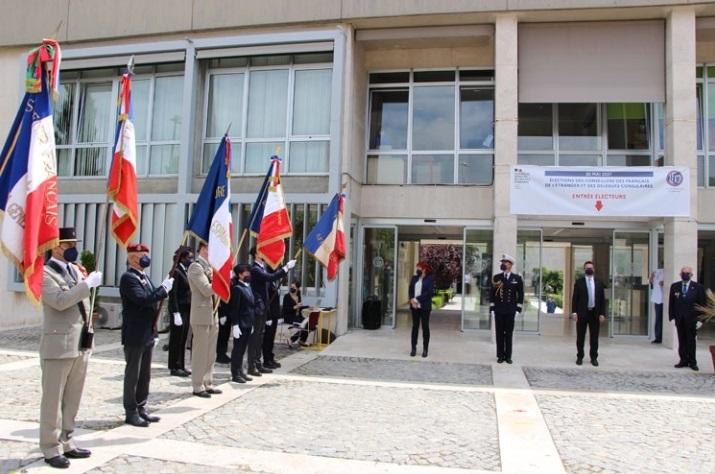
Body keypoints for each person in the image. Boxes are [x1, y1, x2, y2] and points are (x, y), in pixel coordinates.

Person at [39, 227, 102, 469]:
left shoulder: (74, 270)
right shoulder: (45, 274)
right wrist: (87, 285)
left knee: (72, 398)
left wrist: (85, 282)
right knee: (53, 400)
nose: (73, 248)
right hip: (58, 345)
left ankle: (67, 441)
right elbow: (60, 301)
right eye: (68, 245)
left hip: (79, 343)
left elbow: (83, 306)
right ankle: (50, 447)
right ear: (56, 247)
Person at [120, 243, 173, 427]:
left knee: (145, 375)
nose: (145, 257)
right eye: (142, 254)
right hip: (135, 334)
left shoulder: (144, 277)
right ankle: (131, 411)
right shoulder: (128, 278)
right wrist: (163, 290)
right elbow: (142, 299)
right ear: (132, 257)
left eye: (146, 254)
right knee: (133, 374)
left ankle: (141, 406)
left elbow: (152, 307)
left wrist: (155, 331)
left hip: (147, 332)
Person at [248, 247, 295, 377]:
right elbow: (269, 277)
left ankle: (258, 363)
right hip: (258, 308)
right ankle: (253, 365)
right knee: (256, 338)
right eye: (260, 251)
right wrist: (285, 268)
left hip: (264, 309)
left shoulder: (261, 267)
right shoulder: (255, 269)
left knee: (260, 337)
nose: (263, 253)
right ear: (255, 255)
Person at [188, 242, 222, 398]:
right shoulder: (196, 267)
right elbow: (206, 290)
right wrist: (221, 280)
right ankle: (197, 385)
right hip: (201, 314)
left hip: (212, 313)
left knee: (210, 352)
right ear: (203, 249)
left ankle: (208, 382)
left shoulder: (210, 268)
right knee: (200, 352)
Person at [668, 265, 706, 371]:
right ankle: (683, 360)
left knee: (691, 340)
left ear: (691, 275)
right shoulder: (675, 286)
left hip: (692, 319)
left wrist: (701, 320)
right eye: (683, 273)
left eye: (687, 273)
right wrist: (672, 317)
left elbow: (702, 305)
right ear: (680, 274)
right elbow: (671, 303)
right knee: (682, 340)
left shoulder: (698, 287)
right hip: (680, 318)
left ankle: (692, 362)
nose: (685, 275)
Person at [570, 261, 606, 367]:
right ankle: (580, 356)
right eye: (587, 268)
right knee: (580, 336)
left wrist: (602, 314)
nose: (589, 269)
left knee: (594, 337)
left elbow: (602, 300)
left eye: (591, 268)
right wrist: (574, 312)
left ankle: (594, 358)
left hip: (594, 313)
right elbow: (575, 298)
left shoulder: (599, 283)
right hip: (582, 313)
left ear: (594, 270)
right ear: (584, 270)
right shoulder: (579, 282)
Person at [489, 254, 524, 364]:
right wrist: (492, 309)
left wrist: (518, 309)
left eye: (506, 262)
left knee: (509, 334)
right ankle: (500, 356)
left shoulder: (517, 278)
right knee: (499, 334)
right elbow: (492, 294)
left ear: (510, 265)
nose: (503, 264)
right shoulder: (497, 277)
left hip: (510, 310)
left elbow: (521, 294)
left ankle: (508, 356)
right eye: (502, 262)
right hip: (499, 310)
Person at [167, 246, 192, 377]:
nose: (191, 260)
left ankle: (181, 365)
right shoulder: (176, 272)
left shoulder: (185, 270)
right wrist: (175, 312)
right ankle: (174, 366)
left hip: (186, 309)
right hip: (179, 309)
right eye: (189, 257)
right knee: (176, 338)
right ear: (182, 258)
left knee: (182, 338)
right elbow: (173, 294)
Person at [228, 264, 255, 383]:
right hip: (240, 324)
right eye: (246, 272)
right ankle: (235, 373)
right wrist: (235, 325)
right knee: (237, 349)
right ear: (240, 274)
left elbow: (251, 307)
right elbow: (234, 308)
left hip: (248, 323)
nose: (248, 274)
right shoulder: (237, 288)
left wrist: (252, 323)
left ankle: (241, 371)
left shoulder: (248, 287)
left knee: (243, 349)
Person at [408, 261, 434, 358]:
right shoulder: (414, 278)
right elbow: (410, 290)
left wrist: (416, 299)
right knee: (415, 327)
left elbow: (429, 293)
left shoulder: (429, 279)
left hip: (425, 307)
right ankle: (413, 348)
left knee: (425, 327)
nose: (417, 270)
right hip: (414, 306)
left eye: (419, 268)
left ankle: (425, 349)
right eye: (417, 268)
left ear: (424, 269)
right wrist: (411, 300)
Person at [262, 275, 282, 368]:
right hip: (269, 315)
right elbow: (267, 300)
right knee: (267, 338)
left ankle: (270, 357)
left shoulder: (273, 283)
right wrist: (268, 316)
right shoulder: (267, 283)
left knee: (271, 338)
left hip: (275, 315)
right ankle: (266, 360)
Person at [283, 280, 310, 347]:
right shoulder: (287, 296)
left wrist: (308, 307)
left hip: (298, 316)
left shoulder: (298, 296)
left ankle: (302, 340)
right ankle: (291, 340)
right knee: (303, 325)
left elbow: (300, 307)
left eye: (294, 287)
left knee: (309, 323)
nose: (292, 288)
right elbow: (285, 309)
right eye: (291, 287)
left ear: (297, 288)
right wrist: (295, 307)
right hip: (289, 317)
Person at [649, 268, 664, 343]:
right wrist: (651, 277)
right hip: (657, 299)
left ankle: (663, 337)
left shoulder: (667, 272)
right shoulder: (656, 272)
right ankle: (658, 337)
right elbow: (652, 284)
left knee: (663, 319)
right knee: (658, 318)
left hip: (665, 299)